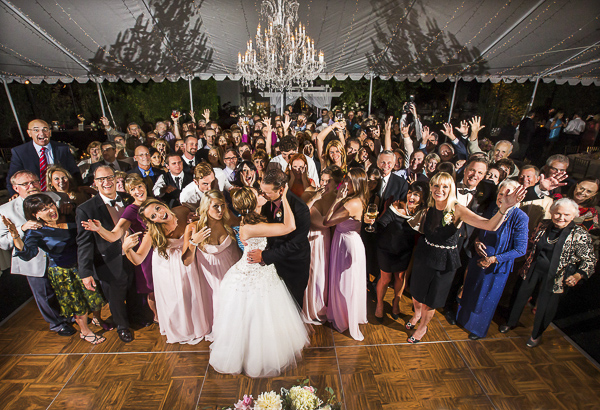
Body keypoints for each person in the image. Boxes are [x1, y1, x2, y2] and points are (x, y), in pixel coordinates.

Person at [406, 172, 525, 343]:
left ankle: (422, 327)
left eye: (445, 186)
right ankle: (416, 315)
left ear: (451, 189)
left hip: (444, 261)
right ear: (431, 187)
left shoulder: (457, 209)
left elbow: (490, 225)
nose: (440, 190)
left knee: (429, 302)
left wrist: (504, 209)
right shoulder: (429, 204)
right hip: (424, 255)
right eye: (436, 185)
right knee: (416, 295)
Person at [209, 186, 310, 377]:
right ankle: (254, 358)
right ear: (252, 203)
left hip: (261, 269)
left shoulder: (253, 220)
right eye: (258, 194)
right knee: (257, 318)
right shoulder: (249, 227)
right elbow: (289, 227)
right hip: (253, 274)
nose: (262, 195)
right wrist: (285, 196)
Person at [4, 194, 107, 344]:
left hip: (82, 266)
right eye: (44, 209)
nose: (51, 210)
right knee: (77, 303)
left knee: (94, 296)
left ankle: (97, 319)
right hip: (62, 272)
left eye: (51, 205)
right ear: (35, 215)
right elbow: (27, 254)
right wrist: (15, 236)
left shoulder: (69, 219)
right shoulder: (36, 232)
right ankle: (85, 332)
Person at [500, 198, 596, 347]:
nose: (561, 218)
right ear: (552, 212)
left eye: (566, 215)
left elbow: (589, 260)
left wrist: (577, 275)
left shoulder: (579, 234)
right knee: (519, 295)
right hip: (534, 267)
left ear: (574, 216)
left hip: (557, 275)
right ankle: (510, 322)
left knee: (546, 306)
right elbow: (531, 243)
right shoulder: (543, 224)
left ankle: (536, 334)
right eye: (558, 213)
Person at [122, 199, 212, 345]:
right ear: (151, 221)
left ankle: (198, 326)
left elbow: (199, 218)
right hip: (166, 265)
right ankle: (180, 329)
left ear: (163, 204)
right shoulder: (152, 233)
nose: (160, 214)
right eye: (153, 216)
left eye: (158, 208)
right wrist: (127, 250)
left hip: (188, 257)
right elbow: (137, 259)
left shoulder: (182, 211)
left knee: (193, 293)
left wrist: (195, 218)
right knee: (175, 298)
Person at [76, 165, 148, 343]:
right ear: (95, 183)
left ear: (116, 179)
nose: (106, 182)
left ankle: (134, 318)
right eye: (101, 179)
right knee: (115, 297)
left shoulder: (128, 198)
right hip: (108, 260)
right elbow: (84, 243)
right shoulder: (86, 209)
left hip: (134, 254)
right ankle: (122, 327)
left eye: (109, 178)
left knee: (134, 289)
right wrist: (85, 273)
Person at [0, 170, 75, 336]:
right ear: (15, 188)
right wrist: (21, 229)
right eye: (25, 184)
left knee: (64, 287)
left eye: (34, 182)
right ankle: (56, 323)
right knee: (44, 294)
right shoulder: (5, 210)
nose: (31, 186)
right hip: (33, 259)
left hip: (60, 254)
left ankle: (71, 315)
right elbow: (3, 243)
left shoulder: (54, 197)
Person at [456, 180, 529, 340]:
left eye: (508, 195)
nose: (503, 198)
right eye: (500, 193)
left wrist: (494, 259)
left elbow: (520, 249)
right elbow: (481, 229)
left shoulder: (520, 217)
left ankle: (477, 330)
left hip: (496, 267)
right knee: (470, 291)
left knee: (486, 299)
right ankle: (462, 320)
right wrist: (476, 243)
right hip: (478, 260)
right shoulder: (492, 209)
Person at [247, 169, 311, 308]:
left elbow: (295, 244)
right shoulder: (265, 202)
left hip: (293, 266)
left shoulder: (300, 209)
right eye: (261, 190)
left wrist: (265, 255)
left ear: (281, 190)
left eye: (267, 192)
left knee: (292, 306)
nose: (262, 194)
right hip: (272, 265)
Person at [324, 168, 370, 341]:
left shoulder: (353, 203)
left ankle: (345, 318)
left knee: (346, 283)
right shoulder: (355, 198)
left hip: (348, 244)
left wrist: (337, 199)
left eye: (349, 181)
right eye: (346, 179)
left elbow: (327, 221)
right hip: (342, 240)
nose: (345, 183)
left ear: (358, 183)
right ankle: (342, 313)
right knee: (342, 281)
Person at [183, 190, 241, 321]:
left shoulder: (228, 219)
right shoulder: (194, 227)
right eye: (215, 206)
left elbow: (246, 225)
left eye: (223, 205)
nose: (220, 210)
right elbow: (186, 261)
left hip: (233, 272)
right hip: (213, 279)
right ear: (206, 207)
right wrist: (193, 242)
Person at [374, 181, 428, 322]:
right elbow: (382, 223)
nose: (411, 196)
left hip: (404, 251)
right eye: (410, 192)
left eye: (416, 194)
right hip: (386, 248)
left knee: (400, 278)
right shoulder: (398, 206)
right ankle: (379, 304)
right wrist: (372, 223)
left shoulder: (423, 212)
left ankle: (396, 302)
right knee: (385, 279)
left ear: (423, 198)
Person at [301, 166, 344, 323]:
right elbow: (321, 224)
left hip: (330, 240)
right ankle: (313, 309)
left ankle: (325, 305)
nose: (324, 184)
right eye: (322, 180)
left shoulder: (337, 197)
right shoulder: (311, 195)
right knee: (316, 275)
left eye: (328, 181)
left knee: (326, 274)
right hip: (314, 241)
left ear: (336, 184)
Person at [7, 119, 82, 195]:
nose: (41, 133)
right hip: (35, 195)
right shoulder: (20, 152)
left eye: (45, 130)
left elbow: (74, 171)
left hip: (60, 193)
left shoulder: (62, 148)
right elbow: (13, 177)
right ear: (29, 133)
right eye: (36, 130)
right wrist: (14, 194)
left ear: (50, 132)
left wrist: (79, 188)